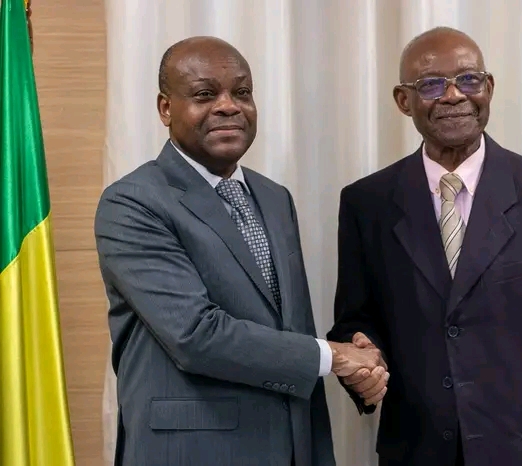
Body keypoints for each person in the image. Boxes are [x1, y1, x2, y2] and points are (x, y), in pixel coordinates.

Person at [95, 36, 385, 466]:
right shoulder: (132, 202)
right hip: (192, 453)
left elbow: (290, 328)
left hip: (292, 445)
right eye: (204, 94)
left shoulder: (274, 197)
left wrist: (356, 368)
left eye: (243, 92)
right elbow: (195, 335)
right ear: (165, 108)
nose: (229, 106)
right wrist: (332, 356)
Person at [328, 27, 522, 466]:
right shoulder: (367, 203)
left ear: (488, 88)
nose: (454, 95)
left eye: (468, 79)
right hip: (415, 454)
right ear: (404, 100)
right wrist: (363, 359)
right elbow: (355, 321)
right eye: (431, 85)